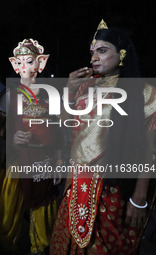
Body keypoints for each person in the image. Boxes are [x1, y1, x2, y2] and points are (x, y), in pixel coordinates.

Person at [50, 20, 156, 254]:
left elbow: (150, 152)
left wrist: (139, 199)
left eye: (102, 50)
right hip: (77, 185)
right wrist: (68, 89)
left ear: (123, 54)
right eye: (92, 52)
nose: (94, 58)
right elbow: (66, 126)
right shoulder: (84, 87)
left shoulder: (146, 93)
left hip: (114, 190)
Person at [0, 38, 62, 255]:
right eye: (20, 62)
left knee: (43, 215)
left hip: (43, 162)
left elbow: (59, 131)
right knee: (8, 216)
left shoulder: (50, 96)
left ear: (40, 64)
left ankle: (39, 248)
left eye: (30, 61)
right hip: (16, 162)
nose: (25, 67)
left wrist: (59, 162)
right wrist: (13, 137)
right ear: (15, 66)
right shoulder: (9, 96)